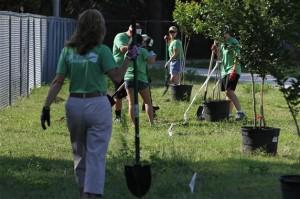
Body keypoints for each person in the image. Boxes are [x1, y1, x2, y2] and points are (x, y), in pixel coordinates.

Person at [40, 9, 138, 199]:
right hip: (98, 104)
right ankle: (91, 195)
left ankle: (82, 193)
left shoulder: (68, 51)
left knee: (79, 153)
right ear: (100, 28)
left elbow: (57, 81)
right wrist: (128, 59)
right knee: (96, 155)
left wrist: (46, 107)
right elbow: (117, 77)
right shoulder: (102, 51)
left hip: (74, 104)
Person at [211, 29, 245, 121]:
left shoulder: (233, 42)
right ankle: (228, 114)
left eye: (223, 33)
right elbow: (220, 57)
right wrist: (215, 50)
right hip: (224, 71)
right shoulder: (222, 44)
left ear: (227, 33)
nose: (221, 36)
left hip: (233, 70)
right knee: (228, 94)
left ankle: (240, 112)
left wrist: (234, 69)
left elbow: (237, 56)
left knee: (228, 91)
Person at [112, 23, 142, 122]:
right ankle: (118, 117)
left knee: (132, 96)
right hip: (119, 69)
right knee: (119, 95)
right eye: (132, 32)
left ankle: (133, 119)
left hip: (131, 70)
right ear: (129, 30)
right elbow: (122, 49)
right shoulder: (120, 36)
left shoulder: (137, 38)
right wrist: (133, 46)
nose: (133, 34)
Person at [124, 34, 156, 126]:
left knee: (131, 103)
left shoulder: (128, 52)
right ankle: (152, 123)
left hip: (129, 78)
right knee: (147, 102)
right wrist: (152, 53)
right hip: (141, 78)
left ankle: (134, 124)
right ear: (140, 42)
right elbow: (151, 61)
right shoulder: (143, 51)